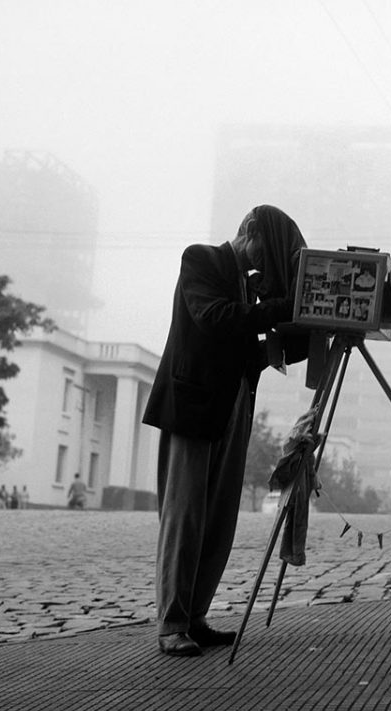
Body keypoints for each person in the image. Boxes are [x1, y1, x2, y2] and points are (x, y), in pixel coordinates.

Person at [142, 205, 307, 657]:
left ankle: (194, 616)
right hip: (193, 406)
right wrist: (278, 307)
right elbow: (214, 319)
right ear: (248, 232)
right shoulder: (201, 260)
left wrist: (308, 329)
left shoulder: (246, 286)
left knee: (218, 520)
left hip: (232, 404)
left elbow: (250, 349)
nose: (265, 263)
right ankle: (172, 623)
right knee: (185, 517)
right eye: (266, 251)